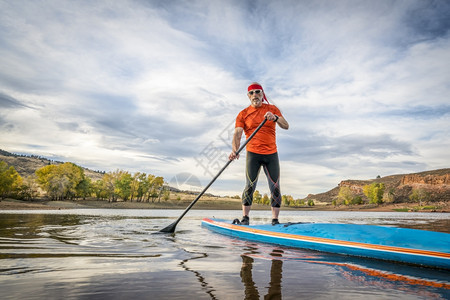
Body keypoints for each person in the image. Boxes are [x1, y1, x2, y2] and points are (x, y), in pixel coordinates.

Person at [229, 82, 289, 225]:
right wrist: (234, 150)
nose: (255, 95)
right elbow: (237, 134)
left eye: (258, 92)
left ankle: (275, 220)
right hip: (253, 154)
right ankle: (245, 218)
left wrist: (274, 117)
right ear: (248, 96)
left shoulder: (272, 109)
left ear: (262, 94)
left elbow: (286, 125)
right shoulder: (243, 114)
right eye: (252, 93)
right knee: (250, 185)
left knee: (275, 186)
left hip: (271, 153)